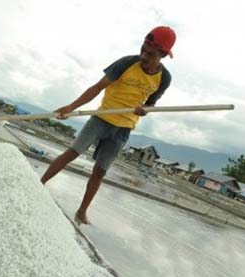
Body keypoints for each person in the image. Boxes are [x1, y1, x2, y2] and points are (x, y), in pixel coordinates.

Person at [41, 26, 176, 225]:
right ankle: (39, 183)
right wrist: (71, 106)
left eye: (150, 53)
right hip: (101, 119)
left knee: (101, 170)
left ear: (163, 55)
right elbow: (97, 87)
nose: (143, 56)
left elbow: (151, 104)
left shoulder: (164, 79)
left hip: (124, 127)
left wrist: (145, 109)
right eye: (143, 49)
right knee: (72, 152)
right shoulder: (127, 63)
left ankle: (82, 211)